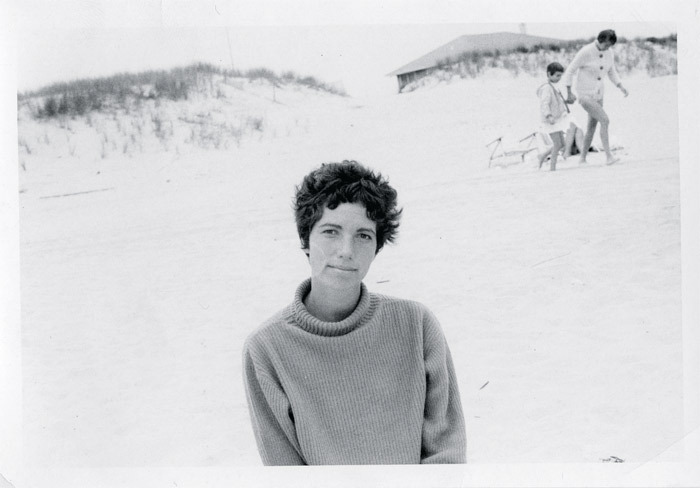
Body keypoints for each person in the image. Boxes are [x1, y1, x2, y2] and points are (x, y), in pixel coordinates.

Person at [242, 160, 467, 466]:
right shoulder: (266, 348)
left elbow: (446, 452)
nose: (346, 249)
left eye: (363, 235)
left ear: (377, 247)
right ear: (305, 240)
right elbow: (285, 471)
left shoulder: (416, 324)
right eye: (331, 231)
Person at [562, 29, 629, 165]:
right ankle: (609, 157)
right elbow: (570, 71)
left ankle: (582, 158)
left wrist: (620, 86)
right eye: (607, 45)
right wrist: (569, 92)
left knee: (591, 127)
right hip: (584, 94)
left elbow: (611, 71)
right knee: (605, 120)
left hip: (598, 94)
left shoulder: (609, 53)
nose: (608, 48)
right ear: (600, 40)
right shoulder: (586, 51)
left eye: (610, 46)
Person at [537, 62, 571, 171]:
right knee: (557, 144)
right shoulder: (546, 88)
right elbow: (544, 103)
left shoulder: (554, 87)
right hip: (550, 120)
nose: (559, 78)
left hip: (556, 119)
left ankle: (543, 155)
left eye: (560, 75)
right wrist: (549, 115)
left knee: (562, 144)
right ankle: (552, 167)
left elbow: (557, 102)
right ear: (549, 74)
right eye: (557, 75)